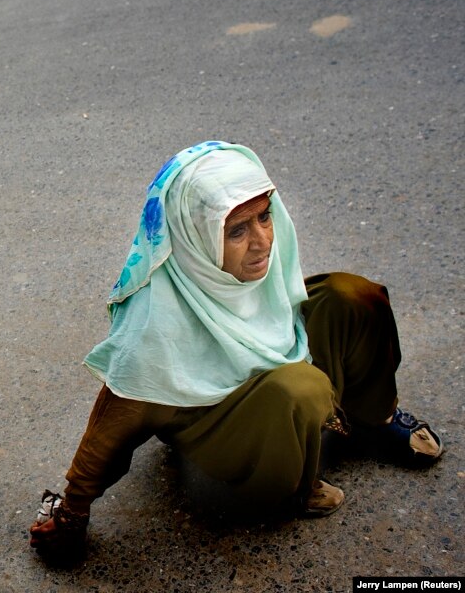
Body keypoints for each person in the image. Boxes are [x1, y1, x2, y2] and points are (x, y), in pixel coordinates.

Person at [28, 140, 444, 561]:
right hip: (213, 419)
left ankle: (375, 415)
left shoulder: (258, 265)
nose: (263, 242)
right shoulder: (156, 325)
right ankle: (293, 487)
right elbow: (112, 422)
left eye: (265, 216)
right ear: (195, 238)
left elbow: (307, 301)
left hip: (272, 373)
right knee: (302, 388)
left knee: (353, 296)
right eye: (237, 230)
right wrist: (73, 512)